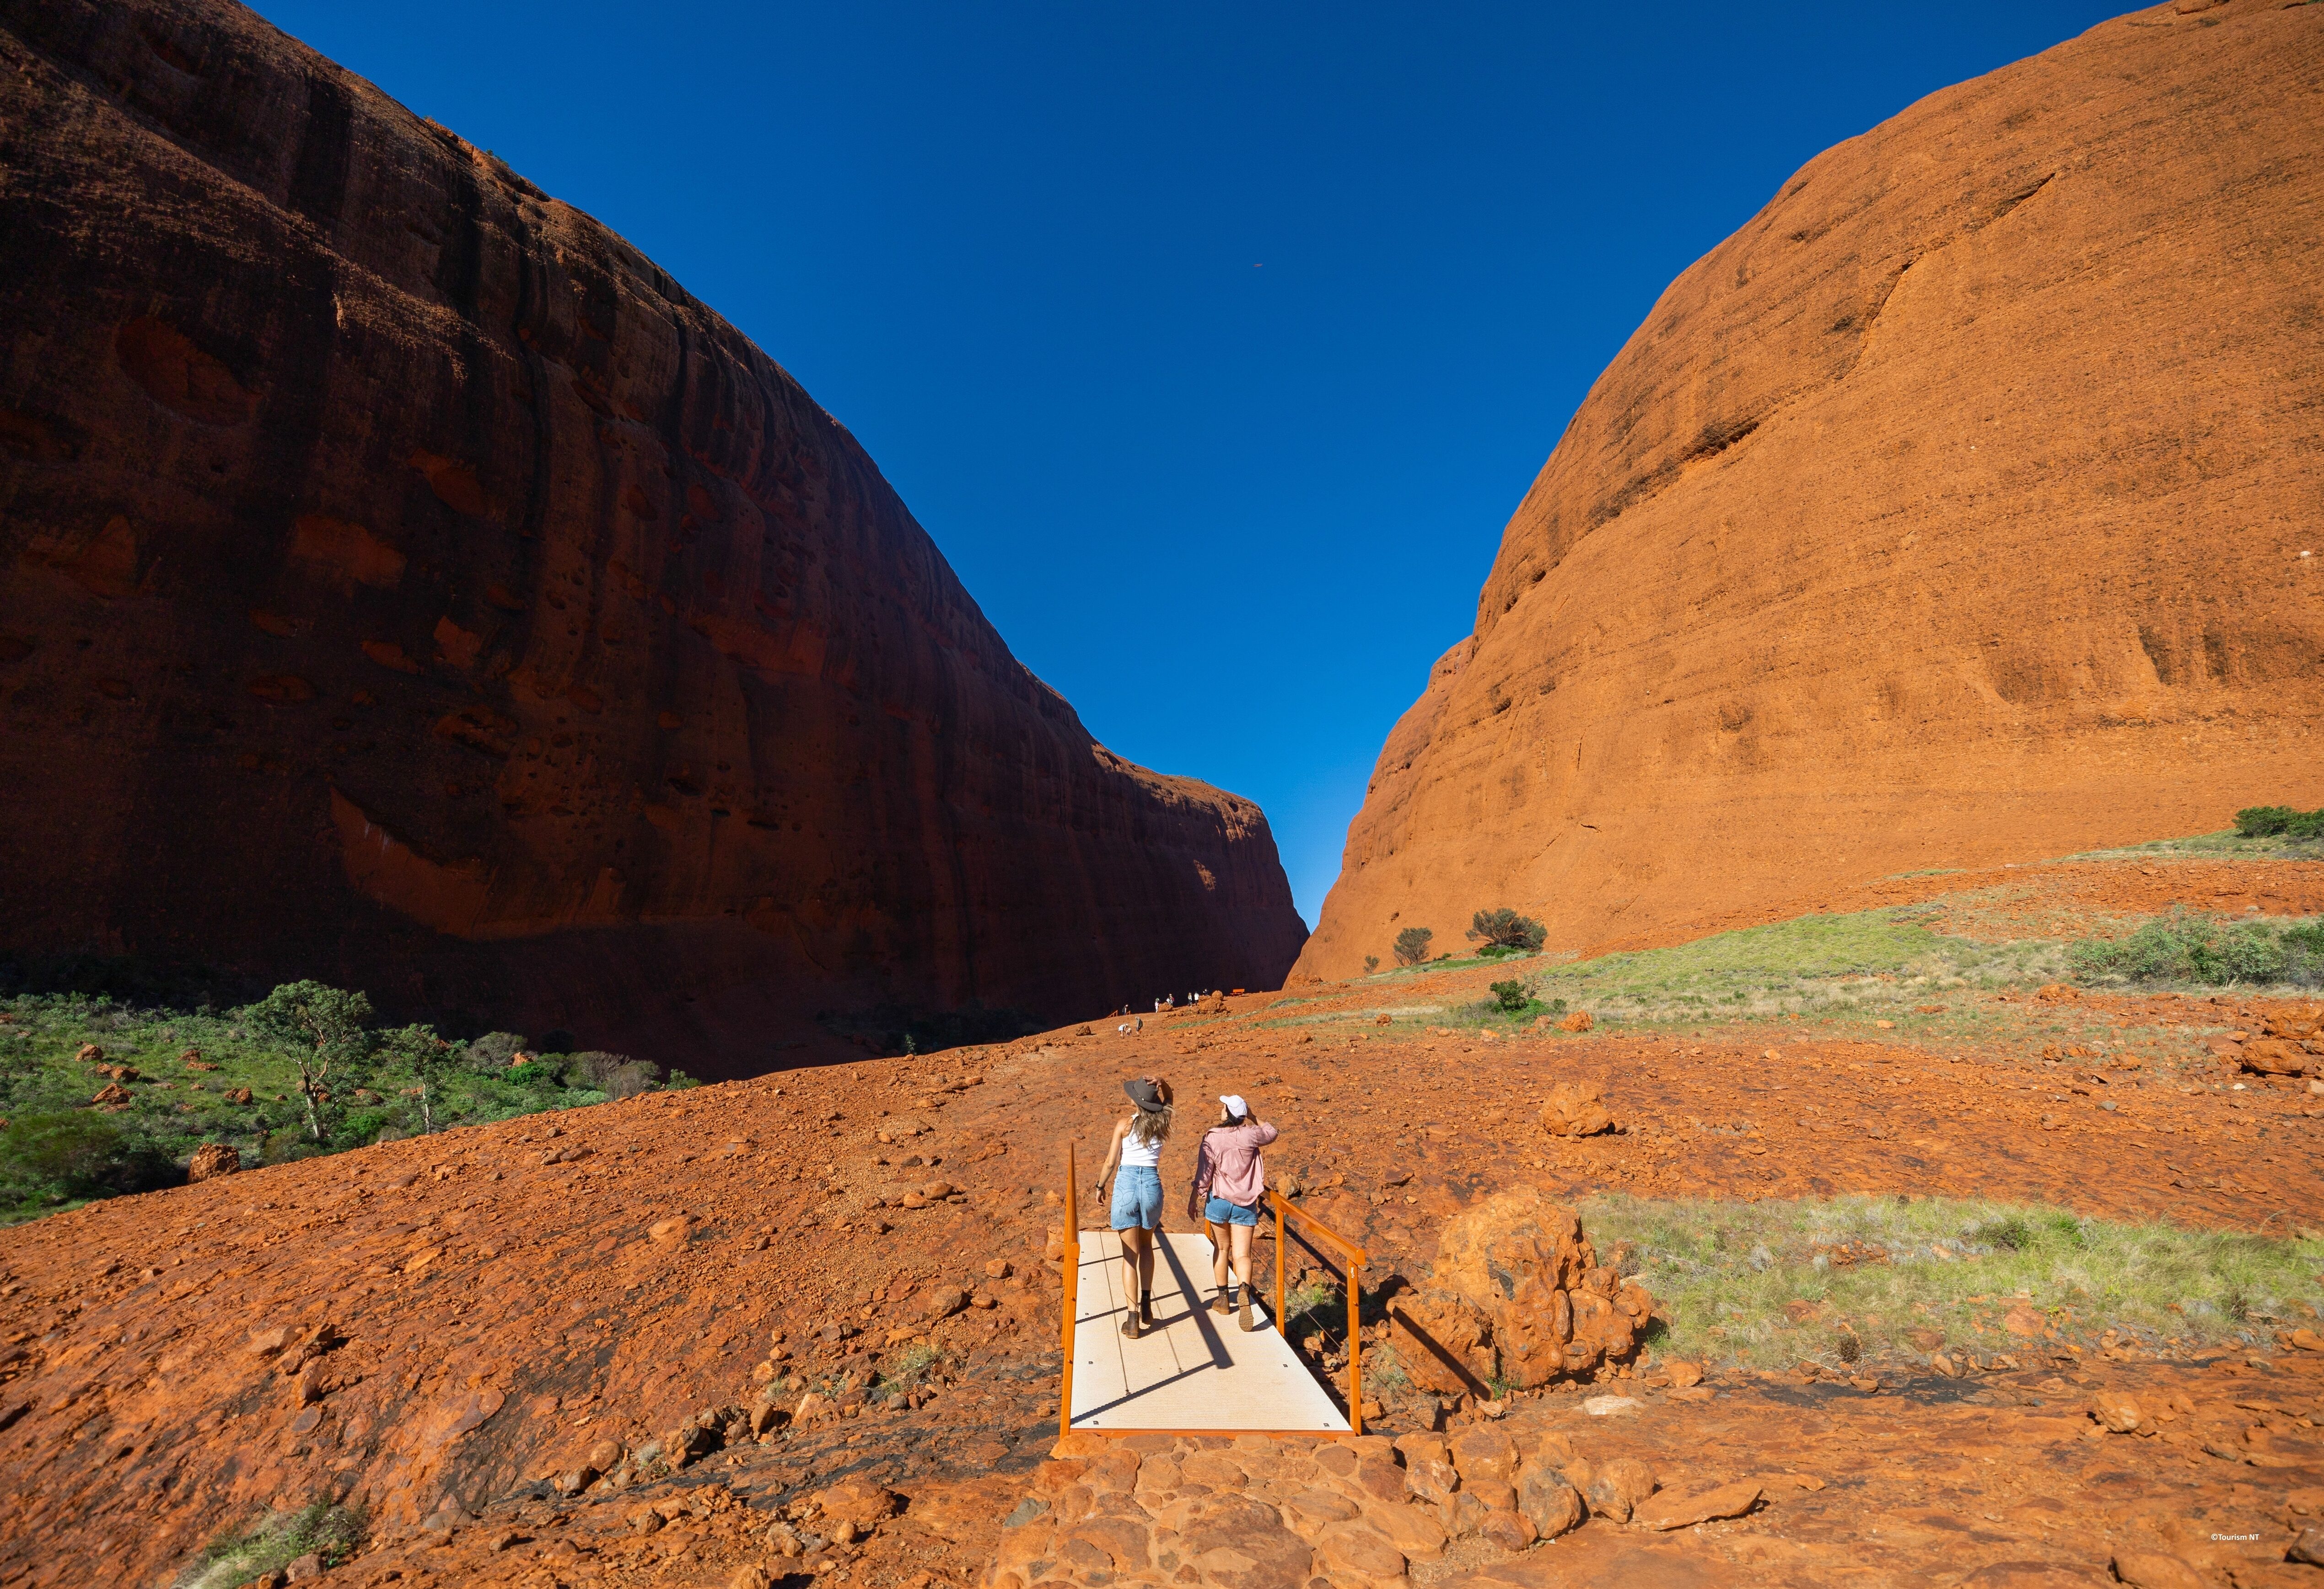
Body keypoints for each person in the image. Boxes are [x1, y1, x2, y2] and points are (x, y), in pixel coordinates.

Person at [1188, 1093, 1279, 1332]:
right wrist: (1254, 1117)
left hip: (1219, 1200)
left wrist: (1194, 1199)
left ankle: (1223, 1300)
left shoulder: (1213, 1137)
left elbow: (1204, 1174)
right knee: (1242, 1255)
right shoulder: (1252, 1134)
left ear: (1228, 1113)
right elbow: (1272, 1132)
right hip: (1245, 1203)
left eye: (1224, 1107)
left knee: (1221, 1249)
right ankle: (1244, 1290)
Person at [1092, 1076, 1173, 1338]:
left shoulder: (1124, 1125)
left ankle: (1133, 1317)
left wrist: (1100, 1186)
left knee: (1130, 1254)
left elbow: (1110, 1162)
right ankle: (1147, 1304)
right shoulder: (1162, 1122)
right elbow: (1170, 1100)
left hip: (1126, 1183)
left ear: (1136, 1101)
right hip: (1151, 1184)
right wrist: (1163, 1083)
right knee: (1147, 1246)